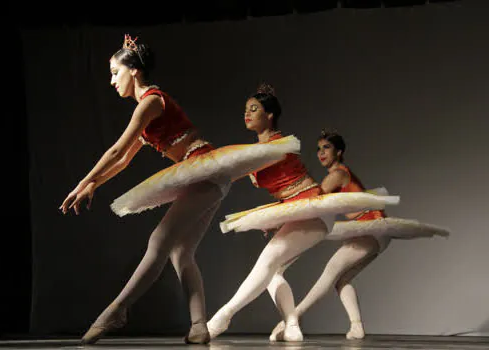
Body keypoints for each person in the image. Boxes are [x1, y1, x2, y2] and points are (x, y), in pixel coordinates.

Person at [60, 36, 299, 345]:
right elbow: (122, 161)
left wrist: (83, 182)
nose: (111, 81)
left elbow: (117, 149)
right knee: (180, 252)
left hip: (203, 170)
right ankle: (199, 326)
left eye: (114, 72)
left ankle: (117, 310)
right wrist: (94, 182)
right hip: (205, 177)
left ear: (133, 71)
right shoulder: (148, 108)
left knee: (159, 240)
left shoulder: (151, 101)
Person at [206, 86, 399, 342]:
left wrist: (205, 167)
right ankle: (292, 324)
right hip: (300, 210)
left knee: (269, 262)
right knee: (273, 272)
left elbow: (307, 190)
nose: (247, 114)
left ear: (270, 114)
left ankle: (222, 317)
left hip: (311, 208)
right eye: (245, 110)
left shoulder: (278, 145)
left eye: (254, 109)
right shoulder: (260, 147)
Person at [267, 130, 449, 341]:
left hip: (371, 229)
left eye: (326, 147)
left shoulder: (338, 174)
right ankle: (356, 327)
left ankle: (293, 318)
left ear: (339, 151)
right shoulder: (339, 175)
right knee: (341, 280)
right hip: (374, 234)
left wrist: (279, 217)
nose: (321, 153)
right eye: (318, 149)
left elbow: (313, 201)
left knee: (331, 271)